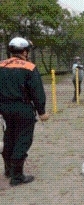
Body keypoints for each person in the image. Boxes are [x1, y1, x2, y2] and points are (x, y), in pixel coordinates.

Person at [0, 37, 49, 186]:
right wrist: (42, 111)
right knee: (23, 139)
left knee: (9, 137)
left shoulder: (1, 65)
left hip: (4, 109)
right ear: (24, 51)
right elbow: (37, 91)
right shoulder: (29, 67)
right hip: (23, 109)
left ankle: (8, 169)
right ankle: (17, 176)